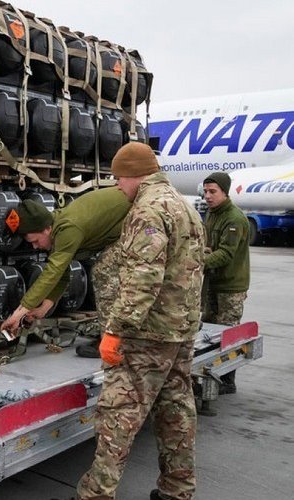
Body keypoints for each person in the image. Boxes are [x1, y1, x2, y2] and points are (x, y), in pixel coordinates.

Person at [76, 142, 205, 500]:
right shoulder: (185, 206)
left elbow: (143, 277)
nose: (118, 187)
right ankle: (177, 490)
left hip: (148, 334)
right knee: (176, 410)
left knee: (118, 415)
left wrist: (115, 329)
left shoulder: (148, 210)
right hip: (181, 329)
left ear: (134, 174)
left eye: (118, 178)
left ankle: (95, 495)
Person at [0, 188, 130, 359]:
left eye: (35, 241)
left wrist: (19, 312)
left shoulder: (68, 228)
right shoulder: (56, 229)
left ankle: (114, 341)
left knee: (104, 272)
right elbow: (62, 274)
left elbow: (53, 271)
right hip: (123, 227)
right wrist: (43, 309)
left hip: (139, 219)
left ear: (46, 229)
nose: (35, 247)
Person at [201, 171, 250, 395]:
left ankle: (227, 380)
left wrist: (197, 262)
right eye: (206, 192)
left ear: (224, 192)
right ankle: (210, 374)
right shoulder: (212, 214)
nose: (208, 196)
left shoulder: (234, 218)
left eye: (213, 192)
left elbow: (226, 254)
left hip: (230, 286)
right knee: (208, 332)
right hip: (213, 283)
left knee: (227, 334)